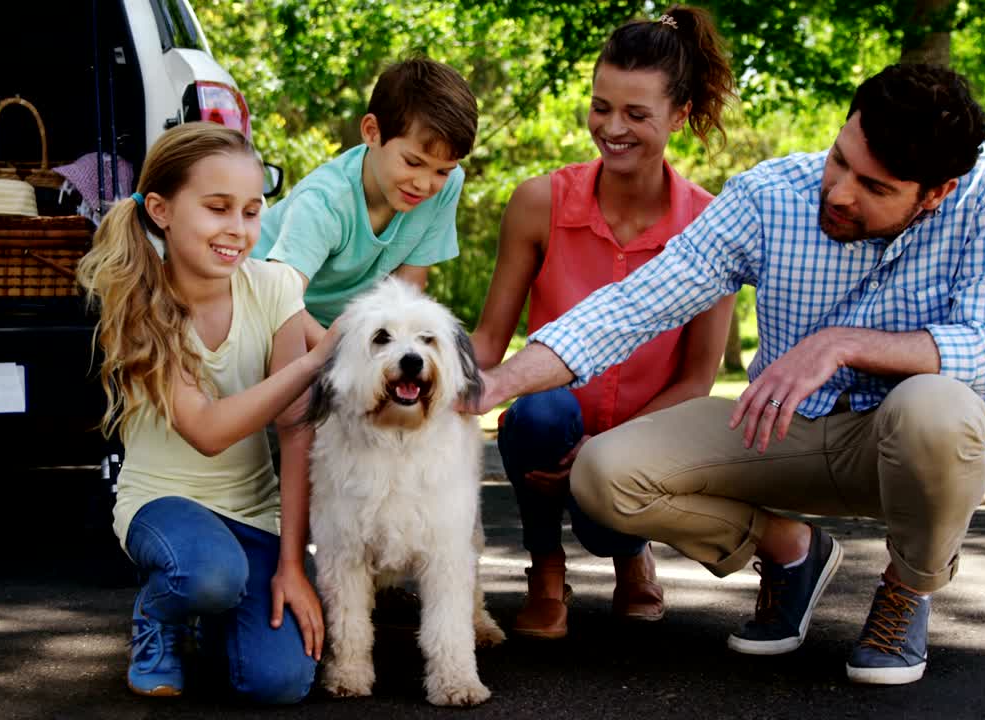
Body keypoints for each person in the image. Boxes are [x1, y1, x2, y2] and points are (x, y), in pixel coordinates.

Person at [465, 63, 985, 684]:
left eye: (874, 188)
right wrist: (498, 384)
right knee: (603, 474)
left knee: (939, 408)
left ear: (934, 193)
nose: (838, 192)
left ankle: (906, 591)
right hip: (782, 432)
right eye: (839, 160)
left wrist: (842, 344)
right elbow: (634, 304)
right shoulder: (770, 195)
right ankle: (791, 552)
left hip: (911, 448)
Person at [469, 6, 737, 639]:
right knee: (537, 412)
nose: (611, 128)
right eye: (600, 107)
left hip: (640, 451)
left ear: (680, 115)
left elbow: (698, 380)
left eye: (636, 114)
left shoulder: (713, 223)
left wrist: (609, 449)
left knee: (608, 511)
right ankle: (546, 569)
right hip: (547, 428)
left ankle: (629, 555)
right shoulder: (539, 202)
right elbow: (489, 341)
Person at [76, 122, 340, 703]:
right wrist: (314, 360)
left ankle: (217, 613)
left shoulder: (272, 288)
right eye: (217, 208)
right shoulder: (138, 304)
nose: (238, 230)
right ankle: (161, 613)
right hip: (163, 507)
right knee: (208, 575)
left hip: (253, 516)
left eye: (251, 211)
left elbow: (296, 433)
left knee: (282, 684)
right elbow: (207, 431)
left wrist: (293, 565)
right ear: (161, 210)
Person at [252, 55, 478, 349]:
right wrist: (343, 356)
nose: (424, 183)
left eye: (442, 170)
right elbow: (278, 300)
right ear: (372, 132)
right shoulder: (326, 201)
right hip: (259, 309)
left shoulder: (446, 186)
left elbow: (406, 291)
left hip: (331, 327)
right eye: (412, 162)